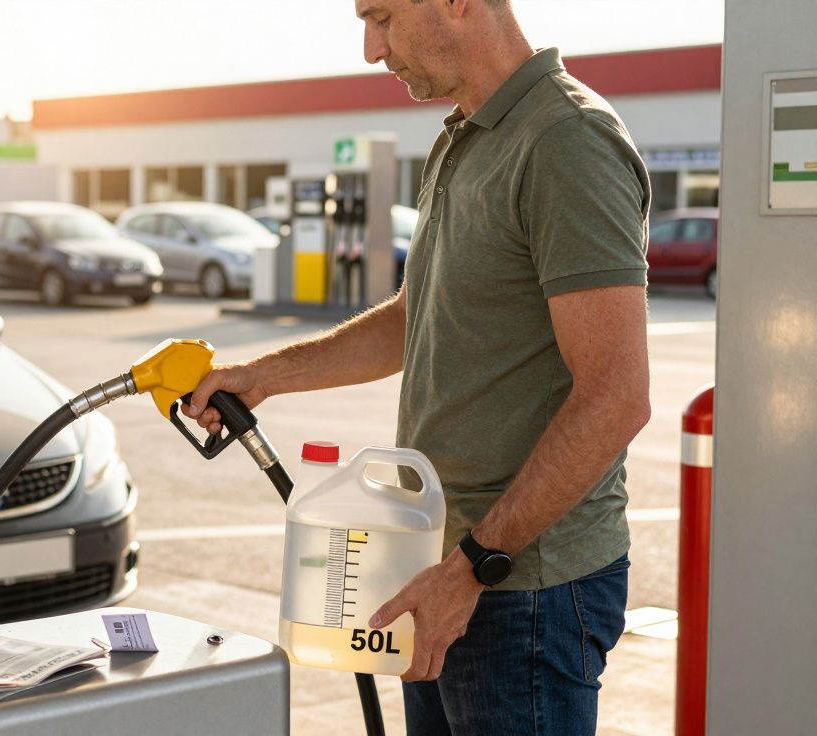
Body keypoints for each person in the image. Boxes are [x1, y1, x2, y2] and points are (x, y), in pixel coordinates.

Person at [183, 1, 651, 733]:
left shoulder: (566, 142)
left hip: (521, 589)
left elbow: (617, 396)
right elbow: (414, 316)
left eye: (383, 18)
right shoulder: (464, 138)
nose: (372, 50)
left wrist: (472, 569)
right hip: (442, 568)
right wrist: (266, 375)